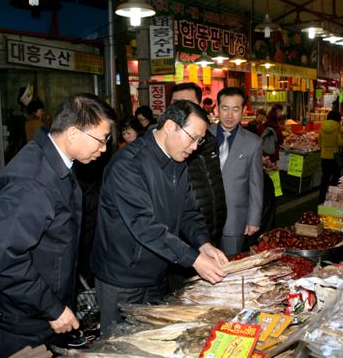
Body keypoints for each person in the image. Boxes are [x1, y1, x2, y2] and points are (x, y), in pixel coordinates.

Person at [0, 93, 116, 357]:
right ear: (74, 134)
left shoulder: (56, 162)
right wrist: (51, 307)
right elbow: (6, 261)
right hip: (22, 317)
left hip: (38, 306)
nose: (103, 148)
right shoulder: (32, 183)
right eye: (101, 140)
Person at [91, 100, 228, 335]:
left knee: (151, 340)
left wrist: (202, 243)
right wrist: (193, 259)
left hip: (157, 272)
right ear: (170, 127)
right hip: (122, 277)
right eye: (192, 137)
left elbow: (188, 211)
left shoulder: (178, 162)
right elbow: (143, 225)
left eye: (200, 140)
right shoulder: (129, 165)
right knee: (118, 346)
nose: (195, 147)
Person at [170, 82, 227, 246]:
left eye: (188, 104)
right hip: (182, 236)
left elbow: (215, 182)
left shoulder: (209, 141)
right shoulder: (164, 145)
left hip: (213, 228)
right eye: (176, 104)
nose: (181, 110)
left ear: (200, 106)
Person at [210, 87, 264, 256]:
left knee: (230, 264)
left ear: (243, 110)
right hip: (201, 218)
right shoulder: (202, 135)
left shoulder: (253, 142)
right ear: (217, 108)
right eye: (225, 108)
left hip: (234, 218)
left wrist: (254, 219)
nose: (229, 115)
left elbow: (256, 183)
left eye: (235, 109)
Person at [318, 110, 343, 204]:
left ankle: (321, 197)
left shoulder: (323, 126)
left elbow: (319, 142)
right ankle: (332, 198)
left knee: (325, 177)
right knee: (335, 177)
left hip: (324, 155)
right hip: (335, 156)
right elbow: (341, 142)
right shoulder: (338, 127)